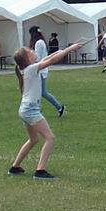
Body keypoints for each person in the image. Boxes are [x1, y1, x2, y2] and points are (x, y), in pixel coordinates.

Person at [9, 41, 84, 180]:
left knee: (33, 139)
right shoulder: (31, 69)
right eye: (30, 51)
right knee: (50, 138)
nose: (33, 51)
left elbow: (48, 58)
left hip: (24, 110)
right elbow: (52, 61)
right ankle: (40, 171)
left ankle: (15, 167)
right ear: (27, 59)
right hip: (30, 110)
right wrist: (70, 49)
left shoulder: (29, 68)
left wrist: (64, 50)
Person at [29, 27, 65, 115]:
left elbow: (37, 58)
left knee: (42, 92)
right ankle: (39, 109)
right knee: (38, 92)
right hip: (41, 69)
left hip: (40, 70)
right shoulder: (41, 42)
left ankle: (59, 107)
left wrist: (29, 59)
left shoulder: (38, 43)